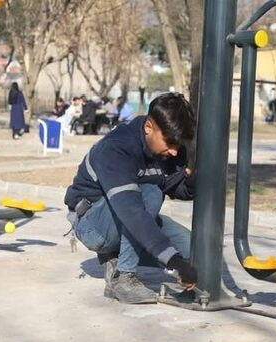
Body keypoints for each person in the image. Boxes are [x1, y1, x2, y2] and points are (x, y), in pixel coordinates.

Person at [64, 92, 197, 304]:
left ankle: (116, 255)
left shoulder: (170, 149)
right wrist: (172, 261)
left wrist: (191, 181)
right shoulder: (116, 148)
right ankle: (123, 277)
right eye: (170, 143)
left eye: (178, 145)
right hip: (92, 223)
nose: (174, 152)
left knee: (194, 252)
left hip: (131, 214)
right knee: (151, 194)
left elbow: (173, 186)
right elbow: (132, 210)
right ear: (148, 127)